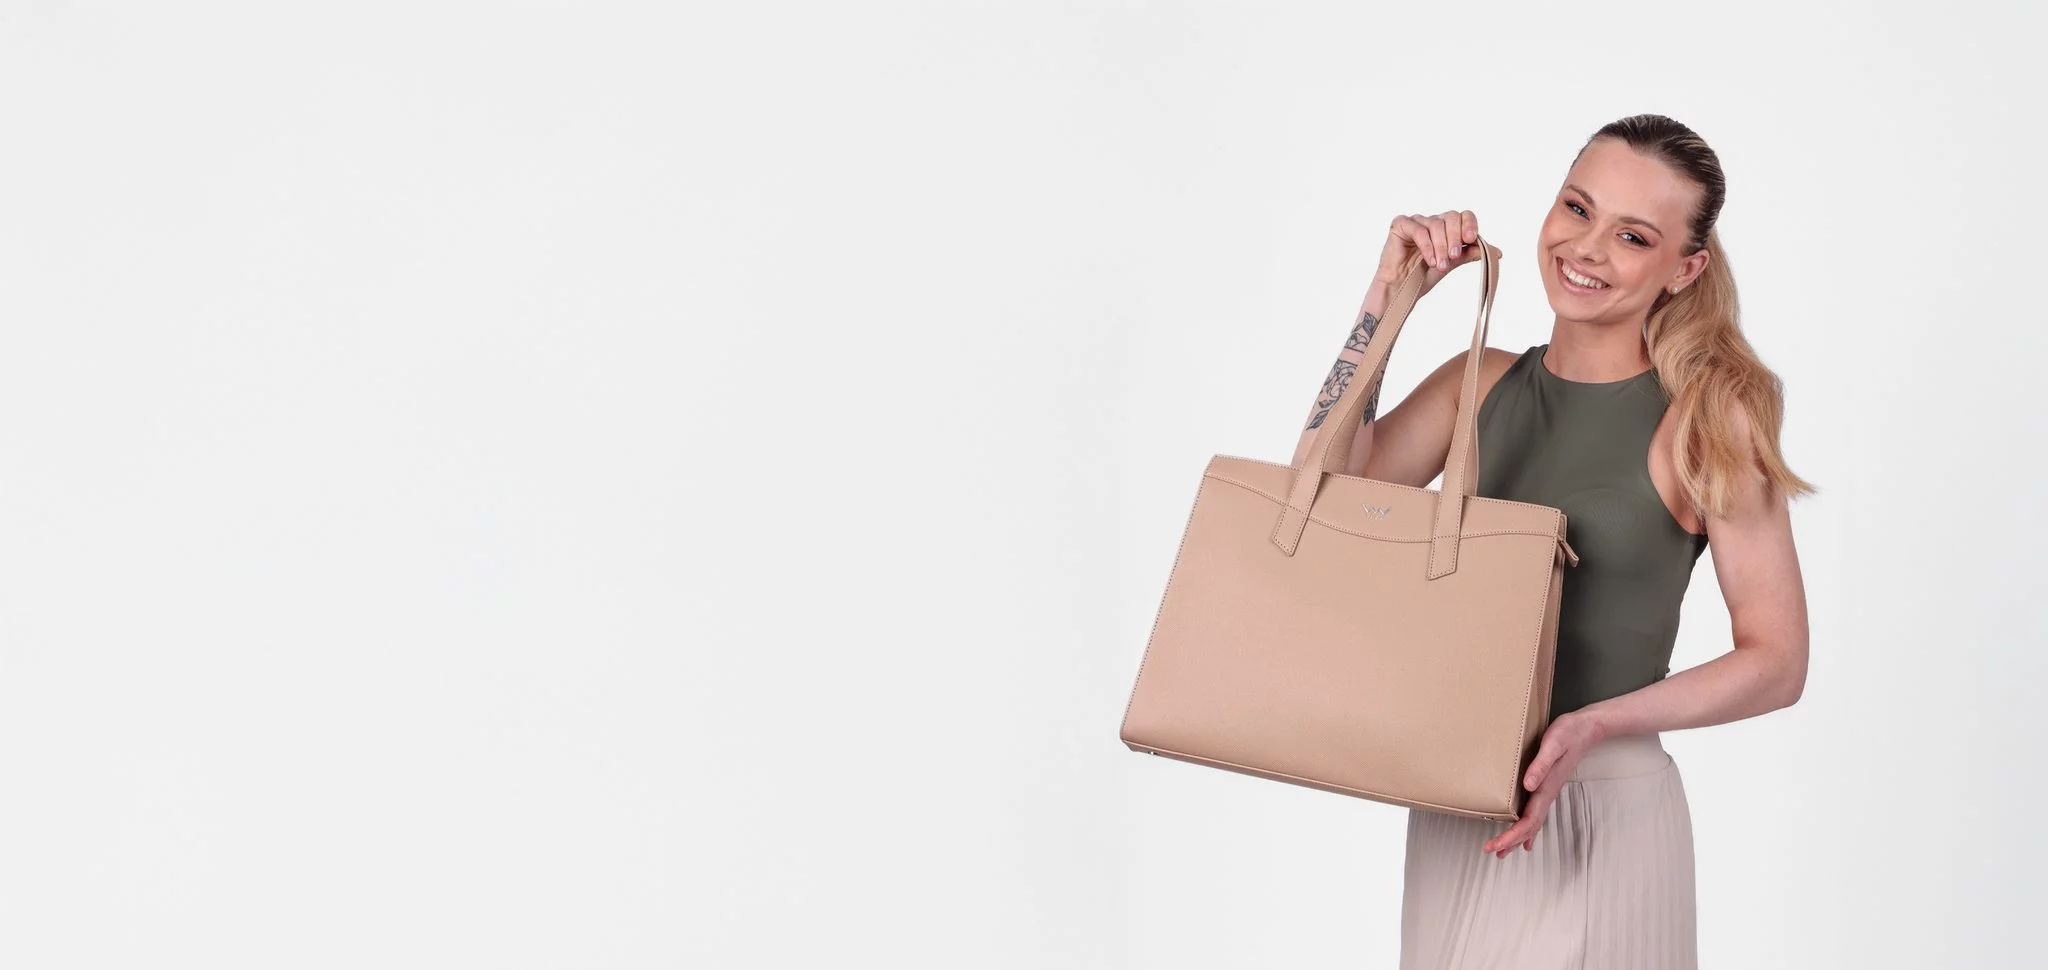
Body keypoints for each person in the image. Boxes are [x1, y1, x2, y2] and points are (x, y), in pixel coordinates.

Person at [1289, 114, 1812, 969]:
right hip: (1455, 796)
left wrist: (1594, 725)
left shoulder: (1708, 420)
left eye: (1633, 236)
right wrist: (1389, 298)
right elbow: (1317, 497)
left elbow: (1777, 660)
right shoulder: (1478, 385)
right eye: (1578, 208)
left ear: (1685, 269)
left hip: (1604, 809)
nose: (1588, 248)